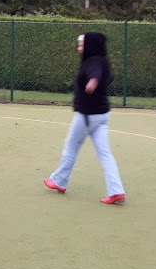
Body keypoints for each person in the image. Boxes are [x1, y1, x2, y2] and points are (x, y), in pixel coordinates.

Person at [44, 31, 126, 205]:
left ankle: (58, 181)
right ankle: (117, 191)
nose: (79, 48)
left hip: (88, 116)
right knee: (105, 154)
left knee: (71, 147)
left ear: (90, 46)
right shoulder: (104, 61)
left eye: (82, 45)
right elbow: (108, 77)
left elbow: (94, 75)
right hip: (103, 115)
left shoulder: (93, 62)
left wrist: (92, 83)